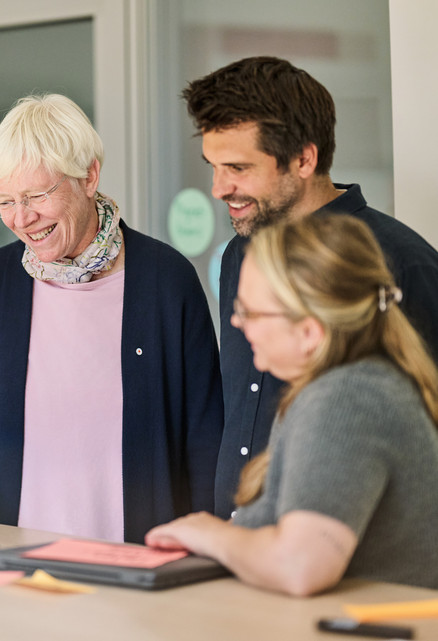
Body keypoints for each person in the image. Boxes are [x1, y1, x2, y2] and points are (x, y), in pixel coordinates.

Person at [0, 93, 223, 544]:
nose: (22, 219)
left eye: (36, 196)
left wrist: (207, 549)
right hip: (19, 556)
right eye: (5, 201)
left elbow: (205, 437)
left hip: (142, 557)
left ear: (89, 176)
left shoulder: (166, 281)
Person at [182, 56, 438, 518]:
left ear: (304, 159)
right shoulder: (240, 254)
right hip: (242, 538)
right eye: (213, 166)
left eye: (238, 167)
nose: (218, 188)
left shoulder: (400, 262)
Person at [145, 213, 438, 595]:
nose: (236, 323)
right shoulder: (341, 387)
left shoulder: (347, 399)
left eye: (250, 312)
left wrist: (209, 534)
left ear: (309, 332)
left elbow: (300, 566)